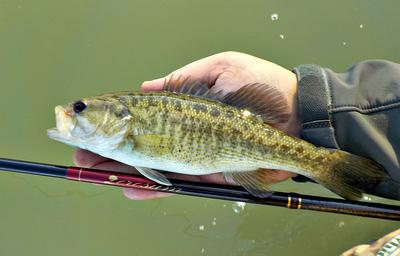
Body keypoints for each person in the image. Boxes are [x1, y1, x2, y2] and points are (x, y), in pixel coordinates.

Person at [73, 51, 400, 255]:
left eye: (80, 109)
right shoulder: (126, 138)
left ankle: (325, 164)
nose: (71, 114)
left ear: (120, 117)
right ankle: (328, 163)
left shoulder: (130, 133)